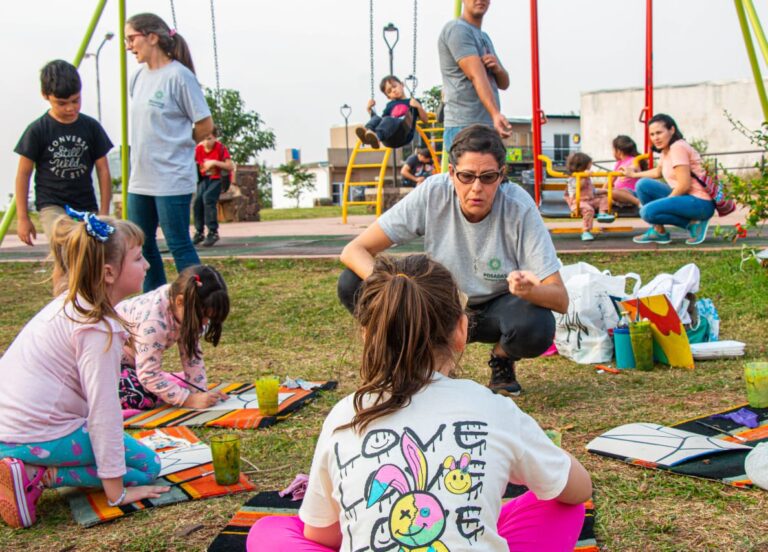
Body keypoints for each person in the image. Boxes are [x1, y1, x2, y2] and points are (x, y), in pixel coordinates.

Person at [247, 255, 592, 551]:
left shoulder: (345, 414)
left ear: (369, 335)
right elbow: (578, 490)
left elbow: (319, 533)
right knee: (562, 504)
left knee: (268, 531)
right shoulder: (494, 408)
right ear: (461, 330)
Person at [337, 125, 568, 396]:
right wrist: (394, 289)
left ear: (502, 176)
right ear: (451, 174)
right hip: (437, 302)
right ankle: (405, 356)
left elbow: (561, 299)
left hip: (494, 308)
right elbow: (354, 250)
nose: (477, 188)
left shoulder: (519, 206)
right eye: (467, 176)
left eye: (488, 177)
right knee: (351, 282)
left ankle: (502, 359)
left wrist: (531, 290)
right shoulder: (433, 193)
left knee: (537, 326)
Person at [0, 211, 169, 529]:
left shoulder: (74, 304)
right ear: (108, 272)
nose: (146, 265)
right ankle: (36, 474)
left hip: (11, 427)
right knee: (147, 466)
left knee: (120, 455)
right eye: (137, 258)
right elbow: (104, 413)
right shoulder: (96, 328)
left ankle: (24, 467)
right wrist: (116, 492)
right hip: (29, 435)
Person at [125, 12, 214, 291]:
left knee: (177, 242)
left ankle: (199, 299)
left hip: (171, 177)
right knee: (142, 243)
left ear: (152, 37)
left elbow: (204, 123)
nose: (128, 46)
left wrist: (182, 142)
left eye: (132, 38)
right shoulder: (137, 78)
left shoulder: (179, 76)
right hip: (141, 177)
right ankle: (153, 301)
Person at [14, 60, 113, 246]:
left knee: (90, 254)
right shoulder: (37, 130)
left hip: (86, 205)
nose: (70, 108)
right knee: (65, 246)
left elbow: (103, 171)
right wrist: (22, 218)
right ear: (45, 96)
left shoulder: (91, 127)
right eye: (61, 103)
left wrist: (104, 212)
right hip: (52, 205)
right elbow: (23, 174)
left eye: (76, 101)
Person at [117, 265, 230, 410]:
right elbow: (148, 374)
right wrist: (188, 399)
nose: (205, 323)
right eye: (203, 316)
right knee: (139, 397)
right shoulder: (153, 322)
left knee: (158, 389)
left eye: (209, 318)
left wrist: (200, 393)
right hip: (106, 367)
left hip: (132, 365)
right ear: (180, 302)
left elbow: (192, 358)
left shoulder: (187, 305)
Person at [624, 114, 715, 245]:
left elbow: (684, 185)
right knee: (643, 185)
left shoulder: (678, 147)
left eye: (659, 133)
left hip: (700, 203)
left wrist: (664, 205)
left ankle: (695, 225)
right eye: (652, 134)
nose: (655, 138)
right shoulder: (666, 150)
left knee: (647, 212)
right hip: (686, 198)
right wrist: (633, 175)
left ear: (672, 130)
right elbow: (657, 172)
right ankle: (659, 232)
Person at [438, 0, 512, 153]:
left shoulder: (484, 37)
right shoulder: (457, 29)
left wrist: (497, 68)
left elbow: (504, 84)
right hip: (464, 123)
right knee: (468, 175)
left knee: (489, 175)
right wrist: (495, 114)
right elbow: (476, 75)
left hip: (486, 123)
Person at [355, 76, 428, 149]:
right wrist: (369, 109)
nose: (393, 90)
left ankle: (377, 137)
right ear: (388, 97)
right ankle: (368, 133)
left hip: (403, 134)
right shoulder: (390, 105)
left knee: (388, 119)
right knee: (377, 118)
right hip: (389, 137)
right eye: (389, 91)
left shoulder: (413, 102)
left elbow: (425, 120)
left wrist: (418, 107)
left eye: (394, 86)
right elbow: (380, 122)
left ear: (402, 85)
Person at [193, 128, 234, 247]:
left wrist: (214, 162)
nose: (206, 142)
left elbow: (230, 166)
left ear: (215, 138)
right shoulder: (198, 149)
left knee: (208, 198)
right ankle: (199, 232)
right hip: (205, 179)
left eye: (209, 139)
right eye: (204, 139)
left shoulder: (220, 148)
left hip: (218, 179)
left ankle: (213, 231)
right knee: (198, 201)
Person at [564, 152, 614, 242]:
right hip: (578, 202)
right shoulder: (573, 178)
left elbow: (592, 190)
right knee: (588, 210)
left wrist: (604, 191)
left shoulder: (587, 177)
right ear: (581, 166)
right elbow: (578, 187)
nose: (590, 168)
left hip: (590, 199)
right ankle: (586, 231)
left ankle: (602, 214)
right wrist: (583, 177)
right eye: (589, 165)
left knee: (604, 198)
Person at [609, 135, 644, 207]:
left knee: (612, 192)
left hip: (631, 192)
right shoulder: (618, 163)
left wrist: (631, 169)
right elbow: (611, 180)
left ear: (619, 151)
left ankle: (637, 202)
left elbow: (635, 168)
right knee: (608, 192)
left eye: (613, 149)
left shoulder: (634, 160)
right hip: (619, 191)